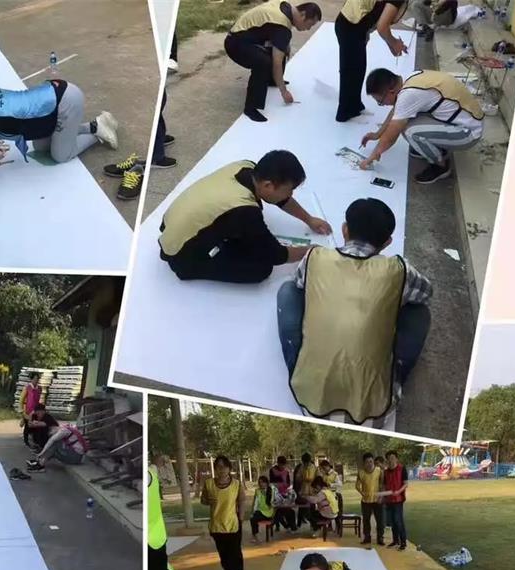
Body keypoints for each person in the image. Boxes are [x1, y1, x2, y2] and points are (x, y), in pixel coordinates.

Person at [278, 198, 432, 423]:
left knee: (289, 290)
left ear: (344, 229)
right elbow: (426, 293)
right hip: (377, 409)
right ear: (387, 242)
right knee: (419, 311)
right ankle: (395, 377)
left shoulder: (314, 257)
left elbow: (300, 283)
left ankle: (302, 366)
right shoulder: (400, 269)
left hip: (308, 396)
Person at [158, 151, 331, 283]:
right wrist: (310, 251)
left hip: (170, 223)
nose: (291, 194)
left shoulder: (246, 167)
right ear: (268, 185)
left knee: (242, 229)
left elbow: (281, 199)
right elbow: (276, 255)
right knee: (261, 269)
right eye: (289, 190)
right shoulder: (244, 210)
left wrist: (309, 219)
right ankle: (193, 267)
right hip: (179, 254)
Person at [0, 82, 119, 200]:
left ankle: (97, 129)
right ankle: (90, 127)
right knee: (41, 147)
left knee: (61, 155)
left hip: (65, 102)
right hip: (53, 93)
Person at [362, 68, 484, 186]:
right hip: (467, 120)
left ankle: (441, 166)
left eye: (380, 101)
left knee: (410, 131)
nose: (382, 105)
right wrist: (378, 134)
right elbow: (398, 111)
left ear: (391, 92)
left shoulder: (409, 94)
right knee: (407, 120)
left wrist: (373, 155)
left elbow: (391, 136)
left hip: (468, 133)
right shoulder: (409, 78)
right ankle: (431, 146)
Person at [225, 2, 323, 121]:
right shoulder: (282, 27)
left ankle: (272, 80)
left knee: (282, 46)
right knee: (264, 62)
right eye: (310, 24)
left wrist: (284, 46)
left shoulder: (285, 6)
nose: (308, 28)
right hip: (235, 44)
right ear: (302, 15)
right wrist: (284, 92)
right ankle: (250, 108)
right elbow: (277, 63)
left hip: (242, 36)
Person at [334, 0, 408, 123]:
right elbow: (382, 27)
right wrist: (394, 44)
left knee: (358, 70)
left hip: (356, 28)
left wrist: (393, 45)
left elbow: (380, 19)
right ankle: (344, 113)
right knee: (350, 72)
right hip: (349, 26)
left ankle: (355, 107)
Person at [201, 456, 247, 570]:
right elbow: (203, 500)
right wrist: (209, 501)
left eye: (224, 467)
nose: (221, 470)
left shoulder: (236, 484)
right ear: (215, 469)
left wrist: (241, 518)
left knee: (236, 553)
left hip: (233, 524)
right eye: (218, 467)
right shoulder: (209, 484)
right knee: (223, 552)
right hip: (216, 524)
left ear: (229, 468)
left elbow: (242, 501)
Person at [148, 458, 177, 570]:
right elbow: (155, 465)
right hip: (159, 535)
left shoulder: (147, 474)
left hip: (149, 540)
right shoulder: (152, 472)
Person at [380, 448, 408, 549]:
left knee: (398, 521)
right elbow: (384, 486)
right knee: (392, 521)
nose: (390, 460)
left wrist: (398, 492)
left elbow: (405, 484)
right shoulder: (386, 472)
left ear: (396, 459)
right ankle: (395, 541)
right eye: (388, 458)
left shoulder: (402, 469)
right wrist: (381, 496)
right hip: (389, 500)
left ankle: (403, 542)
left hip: (398, 499)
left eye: (392, 458)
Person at [355, 451, 385, 545]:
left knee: (380, 520)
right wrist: (362, 493)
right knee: (366, 520)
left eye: (371, 461)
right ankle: (367, 537)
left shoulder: (379, 471)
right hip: (366, 501)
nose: (369, 464)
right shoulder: (361, 472)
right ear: (364, 463)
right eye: (367, 462)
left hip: (377, 500)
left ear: (373, 462)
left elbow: (382, 484)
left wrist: (381, 496)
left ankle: (380, 538)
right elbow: (357, 486)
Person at [269, 456, 296, 531]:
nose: (282, 467)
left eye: (284, 465)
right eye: (281, 465)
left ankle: (288, 525)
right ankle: (278, 525)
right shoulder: (273, 470)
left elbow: (288, 482)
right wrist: (278, 485)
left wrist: (287, 487)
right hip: (276, 493)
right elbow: (272, 482)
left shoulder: (286, 471)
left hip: (284, 493)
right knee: (278, 509)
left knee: (285, 510)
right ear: (278, 463)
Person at [292, 451, 316, 527]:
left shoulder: (313, 467)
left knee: (312, 507)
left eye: (307, 462)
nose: (306, 464)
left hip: (312, 490)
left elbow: (317, 477)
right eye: (304, 463)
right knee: (302, 507)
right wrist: (302, 479)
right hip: (303, 490)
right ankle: (299, 523)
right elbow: (297, 478)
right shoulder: (301, 467)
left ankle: (313, 525)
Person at [250, 474, 275, 541]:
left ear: (266, 483)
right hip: (260, 511)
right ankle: (255, 535)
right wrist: (253, 511)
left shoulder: (271, 490)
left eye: (263, 482)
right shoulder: (257, 491)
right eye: (260, 482)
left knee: (254, 518)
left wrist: (265, 494)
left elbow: (273, 502)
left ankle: (255, 535)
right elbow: (255, 503)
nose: (261, 484)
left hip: (269, 512)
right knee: (252, 518)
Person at [20, 372, 42, 445]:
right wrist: (22, 411)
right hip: (28, 410)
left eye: (37, 379)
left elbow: (39, 399)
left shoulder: (39, 388)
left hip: (36, 411)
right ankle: (26, 441)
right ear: (31, 379)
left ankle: (35, 441)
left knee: (35, 426)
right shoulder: (27, 387)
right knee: (27, 426)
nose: (36, 380)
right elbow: (21, 400)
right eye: (35, 379)